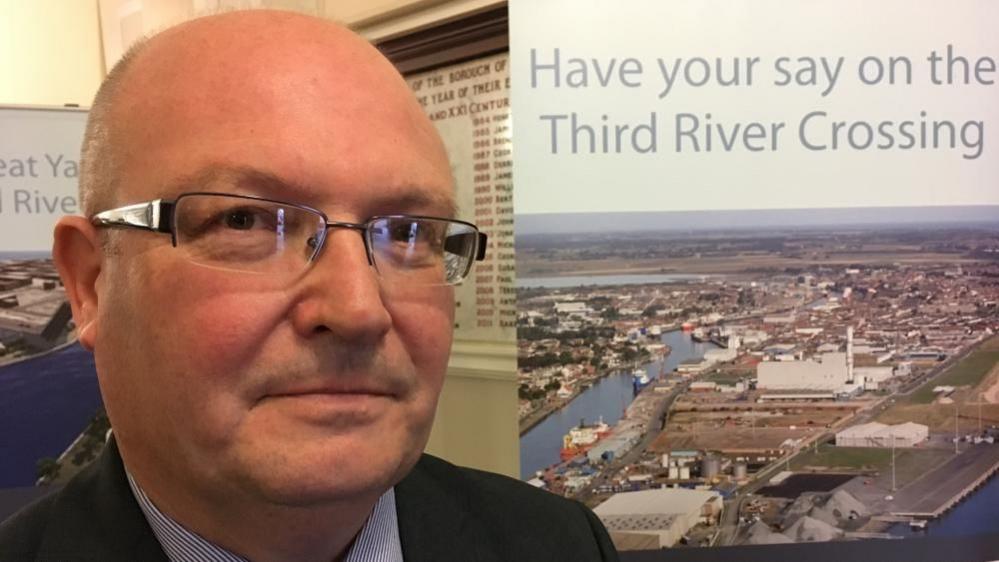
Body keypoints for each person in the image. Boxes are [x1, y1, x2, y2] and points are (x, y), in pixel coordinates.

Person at [0, 10, 619, 562]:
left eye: (405, 232)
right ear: (90, 283)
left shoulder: (559, 543)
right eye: (244, 220)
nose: (358, 307)